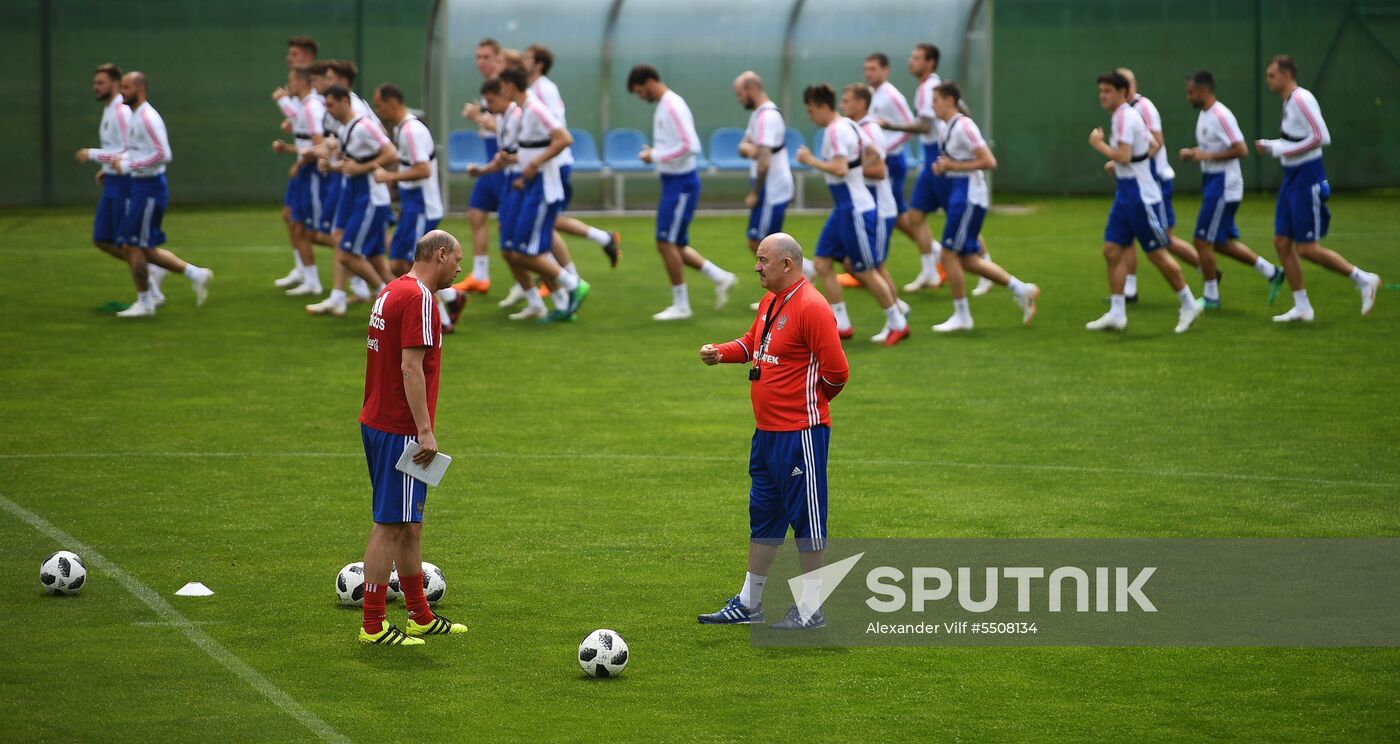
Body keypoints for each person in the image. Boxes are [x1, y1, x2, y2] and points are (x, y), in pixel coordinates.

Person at [697, 233, 849, 630]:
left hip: (800, 435)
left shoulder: (813, 308)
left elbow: (837, 373)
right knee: (763, 516)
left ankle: (811, 609)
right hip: (766, 434)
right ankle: (750, 603)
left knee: (807, 521)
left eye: (763, 260)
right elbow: (754, 344)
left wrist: (809, 405)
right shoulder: (771, 299)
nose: (756, 266)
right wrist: (722, 352)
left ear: (787, 264)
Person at [357, 229, 468, 646]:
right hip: (399, 428)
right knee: (389, 525)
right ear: (439, 255)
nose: (460, 267)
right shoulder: (421, 298)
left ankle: (420, 615)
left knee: (411, 524)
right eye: (457, 258)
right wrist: (424, 430)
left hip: (378, 420)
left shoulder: (390, 290)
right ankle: (372, 624)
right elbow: (409, 368)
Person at [1254, 55, 1380, 321]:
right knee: (1281, 242)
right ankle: (1302, 306)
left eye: (1272, 75)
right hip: (1291, 179)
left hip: (1307, 177)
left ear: (1286, 75)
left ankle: (1363, 279)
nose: (1268, 80)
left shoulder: (1301, 99)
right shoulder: (1289, 102)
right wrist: (1272, 144)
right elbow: (1296, 139)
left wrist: (1277, 149)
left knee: (1307, 248)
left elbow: (1321, 137)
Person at [1085, 71, 1199, 334]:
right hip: (1125, 193)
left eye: (1108, 91)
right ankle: (1117, 312)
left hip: (1141, 195)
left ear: (1122, 92)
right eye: (1100, 91)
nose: (1103, 96)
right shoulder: (1125, 116)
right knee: (1112, 250)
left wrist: (1099, 145)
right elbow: (1149, 144)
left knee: (1157, 253)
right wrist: (1133, 161)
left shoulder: (1125, 116)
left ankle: (1189, 303)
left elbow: (1125, 156)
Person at [796, 83, 909, 346]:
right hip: (844, 208)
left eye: (812, 110)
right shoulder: (850, 125)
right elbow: (872, 153)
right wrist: (858, 169)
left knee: (866, 270)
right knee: (822, 263)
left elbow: (838, 168)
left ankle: (898, 322)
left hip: (855, 208)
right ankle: (841, 324)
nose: (810, 116)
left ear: (823, 107)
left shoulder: (836, 130)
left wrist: (810, 160)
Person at [75, 62, 195, 307]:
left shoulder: (124, 112)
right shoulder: (115, 110)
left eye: (101, 83)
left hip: (131, 184)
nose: (95, 87)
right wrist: (107, 169)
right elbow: (127, 151)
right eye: (95, 82)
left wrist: (95, 155)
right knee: (106, 240)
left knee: (130, 244)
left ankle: (149, 291)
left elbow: (132, 150)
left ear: (117, 84)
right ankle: (153, 275)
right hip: (118, 179)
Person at [627, 64, 739, 321]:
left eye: (639, 90)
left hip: (681, 184)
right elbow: (677, 145)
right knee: (674, 244)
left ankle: (682, 305)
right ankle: (720, 277)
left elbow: (690, 145)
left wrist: (654, 155)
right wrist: (657, 154)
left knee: (665, 243)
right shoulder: (666, 105)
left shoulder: (672, 105)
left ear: (649, 82)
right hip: (674, 182)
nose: (640, 96)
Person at [927, 82, 1039, 331]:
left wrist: (953, 167)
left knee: (948, 254)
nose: (931, 105)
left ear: (949, 100)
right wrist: (944, 166)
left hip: (969, 196)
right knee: (966, 259)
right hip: (960, 193)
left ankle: (963, 316)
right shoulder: (948, 128)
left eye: (935, 100)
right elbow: (958, 159)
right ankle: (1022, 289)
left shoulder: (964, 125)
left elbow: (989, 161)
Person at [105, 72, 213, 318]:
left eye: (127, 87)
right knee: (141, 247)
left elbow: (163, 154)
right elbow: (140, 152)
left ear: (140, 89)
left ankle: (146, 302)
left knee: (133, 245)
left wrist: (130, 165)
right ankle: (195, 274)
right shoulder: (134, 115)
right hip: (140, 185)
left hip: (150, 187)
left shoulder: (147, 117)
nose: (122, 91)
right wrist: (119, 163)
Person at [1179, 69, 1286, 309]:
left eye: (1191, 92)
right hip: (1213, 182)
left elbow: (1241, 149)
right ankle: (1272, 272)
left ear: (1204, 91)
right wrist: (1196, 152)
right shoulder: (1205, 115)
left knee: (1201, 240)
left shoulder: (1220, 115)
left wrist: (1206, 155)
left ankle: (1211, 297)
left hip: (1224, 185)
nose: (1188, 97)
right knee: (1219, 242)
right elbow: (1214, 146)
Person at [493, 66, 591, 322]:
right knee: (527, 249)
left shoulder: (535, 108)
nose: (500, 91)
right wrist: (515, 160)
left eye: (501, 86)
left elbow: (564, 138)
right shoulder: (525, 111)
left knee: (526, 251)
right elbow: (534, 148)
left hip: (544, 190)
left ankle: (573, 285)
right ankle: (562, 304)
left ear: (511, 86)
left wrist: (535, 164)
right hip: (532, 188)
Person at [524, 44, 621, 268]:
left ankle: (566, 278)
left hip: (555, 164)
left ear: (539, 64)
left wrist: (537, 156)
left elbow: (555, 127)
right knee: (546, 222)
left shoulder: (542, 89)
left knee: (545, 223)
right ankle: (600, 241)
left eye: (527, 57)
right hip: (550, 163)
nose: (522, 61)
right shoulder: (537, 87)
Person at [306, 85, 396, 317]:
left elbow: (391, 153)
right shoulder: (345, 129)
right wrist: (333, 167)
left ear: (345, 101)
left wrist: (361, 167)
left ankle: (384, 298)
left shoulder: (365, 125)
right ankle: (397, 300)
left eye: (331, 104)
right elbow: (351, 166)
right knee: (368, 254)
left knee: (347, 253)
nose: (328, 110)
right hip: (354, 194)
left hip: (370, 198)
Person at [1116, 68, 1202, 301]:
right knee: (1124, 238)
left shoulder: (1143, 107)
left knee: (1164, 241)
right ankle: (1129, 291)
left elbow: (1156, 143)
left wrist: (1132, 163)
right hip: (1137, 184)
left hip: (1154, 182)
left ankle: (1207, 272)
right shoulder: (1123, 112)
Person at [876, 44, 945, 291]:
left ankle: (982, 263)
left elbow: (925, 126)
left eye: (916, 58)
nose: (910, 61)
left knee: (955, 220)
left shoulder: (929, 88)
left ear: (930, 63)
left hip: (940, 156)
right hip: (930, 156)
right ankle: (929, 271)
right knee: (915, 216)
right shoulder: (927, 87)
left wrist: (892, 127)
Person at [846, 82, 913, 338]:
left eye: (847, 100)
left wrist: (847, 169)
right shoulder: (857, 128)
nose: (843, 105)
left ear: (861, 104)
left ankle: (896, 318)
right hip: (868, 206)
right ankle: (897, 309)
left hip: (881, 208)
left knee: (874, 265)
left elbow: (880, 170)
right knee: (856, 263)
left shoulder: (871, 130)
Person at [272, 65, 326, 296]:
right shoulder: (305, 105)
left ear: (303, 82)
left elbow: (319, 145)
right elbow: (306, 143)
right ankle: (309, 277)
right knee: (293, 220)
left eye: (292, 80)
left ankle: (358, 259)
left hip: (312, 172)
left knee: (309, 229)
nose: (289, 84)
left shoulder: (312, 106)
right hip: (304, 170)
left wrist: (301, 162)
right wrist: (288, 150)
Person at [457, 39, 506, 294]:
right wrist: (482, 126)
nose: (481, 62)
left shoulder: (507, 87)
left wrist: (478, 118)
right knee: (476, 214)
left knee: (511, 226)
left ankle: (553, 276)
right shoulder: (489, 87)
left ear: (499, 59)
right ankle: (480, 275)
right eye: (478, 57)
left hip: (506, 164)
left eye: (486, 57)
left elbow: (510, 129)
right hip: (490, 161)